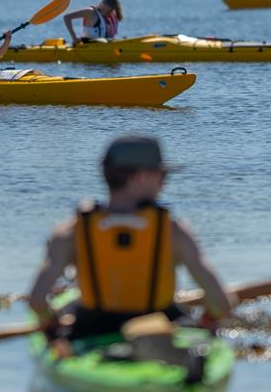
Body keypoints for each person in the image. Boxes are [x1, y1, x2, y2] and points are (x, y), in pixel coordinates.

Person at [28, 136, 234, 359]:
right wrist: (209, 318)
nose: (163, 185)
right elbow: (222, 304)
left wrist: (51, 325)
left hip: (92, 329)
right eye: (162, 176)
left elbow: (37, 301)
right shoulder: (175, 231)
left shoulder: (70, 232)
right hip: (160, 327)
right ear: (141, 178)